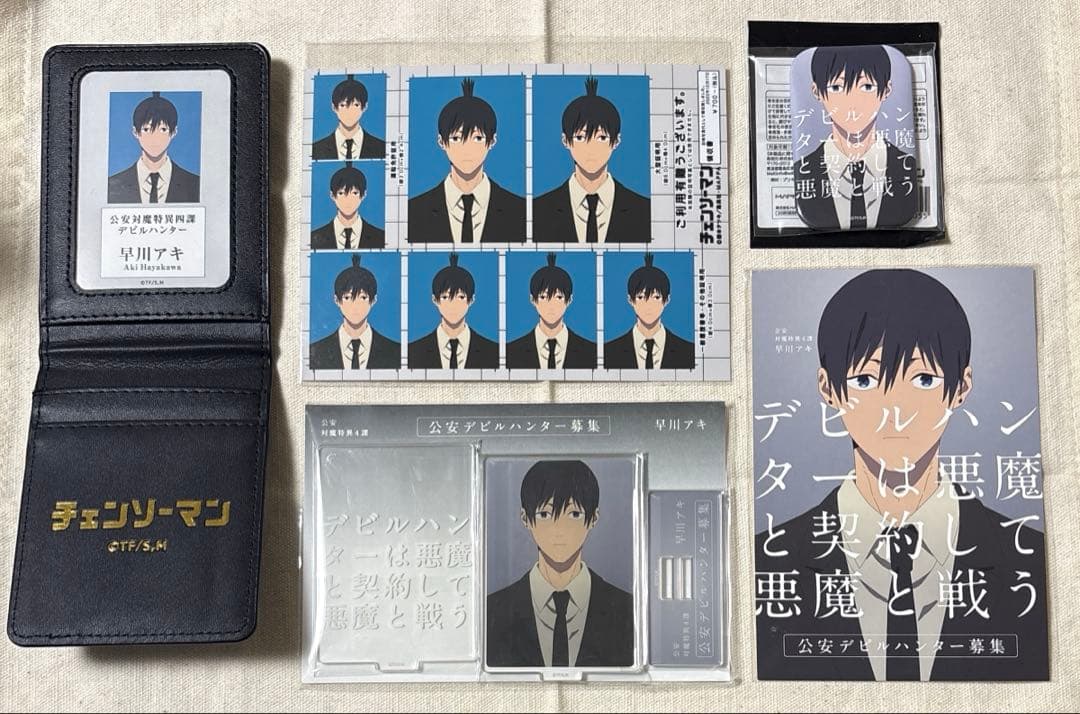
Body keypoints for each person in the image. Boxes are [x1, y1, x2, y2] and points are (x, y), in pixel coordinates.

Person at [755, 269, 1048, 681]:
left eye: (923, 379)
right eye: (866, 379)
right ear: (828, 388)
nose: (895, 407)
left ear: (962, 387)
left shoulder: (1031, 558)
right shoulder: (768, 560)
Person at [487, 460, 634, 668]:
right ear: (525, 518)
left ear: (594, 518)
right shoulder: (492, 612)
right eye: (544, 514)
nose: (559, 529)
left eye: (574, 514)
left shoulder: (627, 610)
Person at [793, 45, 918, 230]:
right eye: (836, 87)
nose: (852, 102)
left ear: (886, 90)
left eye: (866, 86)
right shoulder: (802, 171)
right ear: (817, 91)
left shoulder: (907, 167)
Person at [533, 76, 649, 243]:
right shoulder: (538, 211)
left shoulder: (643, 210)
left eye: (601, 138)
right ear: (565, 141)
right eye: (580, 137)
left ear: (616, 141)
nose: (591, 148)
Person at [408, 78, 525, 243]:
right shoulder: (413, 211)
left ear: (492, 141)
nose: (467, 149)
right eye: (456, 138)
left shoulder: (520, 210)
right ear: (441, 142)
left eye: (477, 138)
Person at [407, 253, 498, 369]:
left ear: (471, 300)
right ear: (435, 300)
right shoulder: (413, 351)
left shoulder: (493, 352)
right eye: (445, 297)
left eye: (461, 297)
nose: (453, 305)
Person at [309, 255, 400, 370]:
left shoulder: (395, 351)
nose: (355, 306)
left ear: (373, 300)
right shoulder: (316, 351)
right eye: (347, 298)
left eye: (363, 297)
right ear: (337, 300)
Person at [603, 254, 694, 369]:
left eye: (656, 297)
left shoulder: (689, 351)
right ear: (630, 300)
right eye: (641, 297)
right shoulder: (609, 352)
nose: (648, 305)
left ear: (667, 300)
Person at [506, 254, 596, 369]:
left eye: (559, 297)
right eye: (543, 297)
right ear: (532, 300)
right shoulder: (511, 352)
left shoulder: (591, 352)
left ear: (569, 300)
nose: (551, 306)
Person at [108, 92, 199, 204]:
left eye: (163, 129)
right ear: (135, 132)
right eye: (146, 129)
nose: (155, 138)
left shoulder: (195, 185)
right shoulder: (112, 185)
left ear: (174, 132)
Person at [310, 164, 385, 249]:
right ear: (332, 195)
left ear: (364, 195)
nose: (348, 200)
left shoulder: (381, 237)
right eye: (341, 193)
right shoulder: (314, 238)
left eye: (354, 193)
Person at [311, 75, 386, 160]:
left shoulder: (381, 148)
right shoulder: (316, 149)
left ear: (365, 107)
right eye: (343, 105)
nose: (349, 112)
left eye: (356, 105)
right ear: (334, 107)